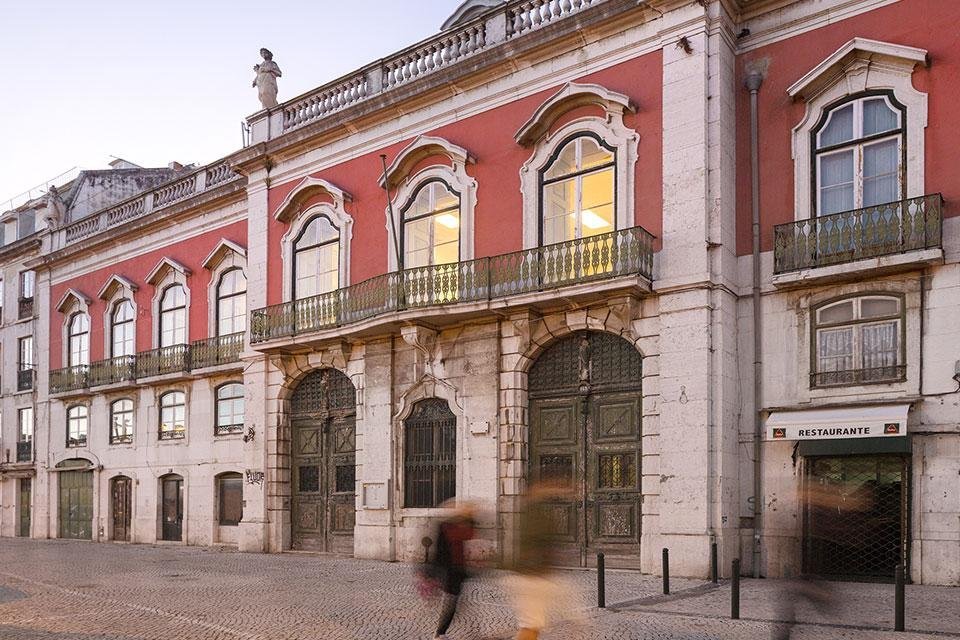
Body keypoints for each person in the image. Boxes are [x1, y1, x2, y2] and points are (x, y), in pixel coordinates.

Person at [424, 502, 476, 640]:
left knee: (454, 602)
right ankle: (440, 633)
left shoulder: (458, 525)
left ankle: (442, 631)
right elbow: (440, 552)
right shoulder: (447, 527)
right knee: (452, 602)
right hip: (450, 571)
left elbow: (469, 535)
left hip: (456, 570)